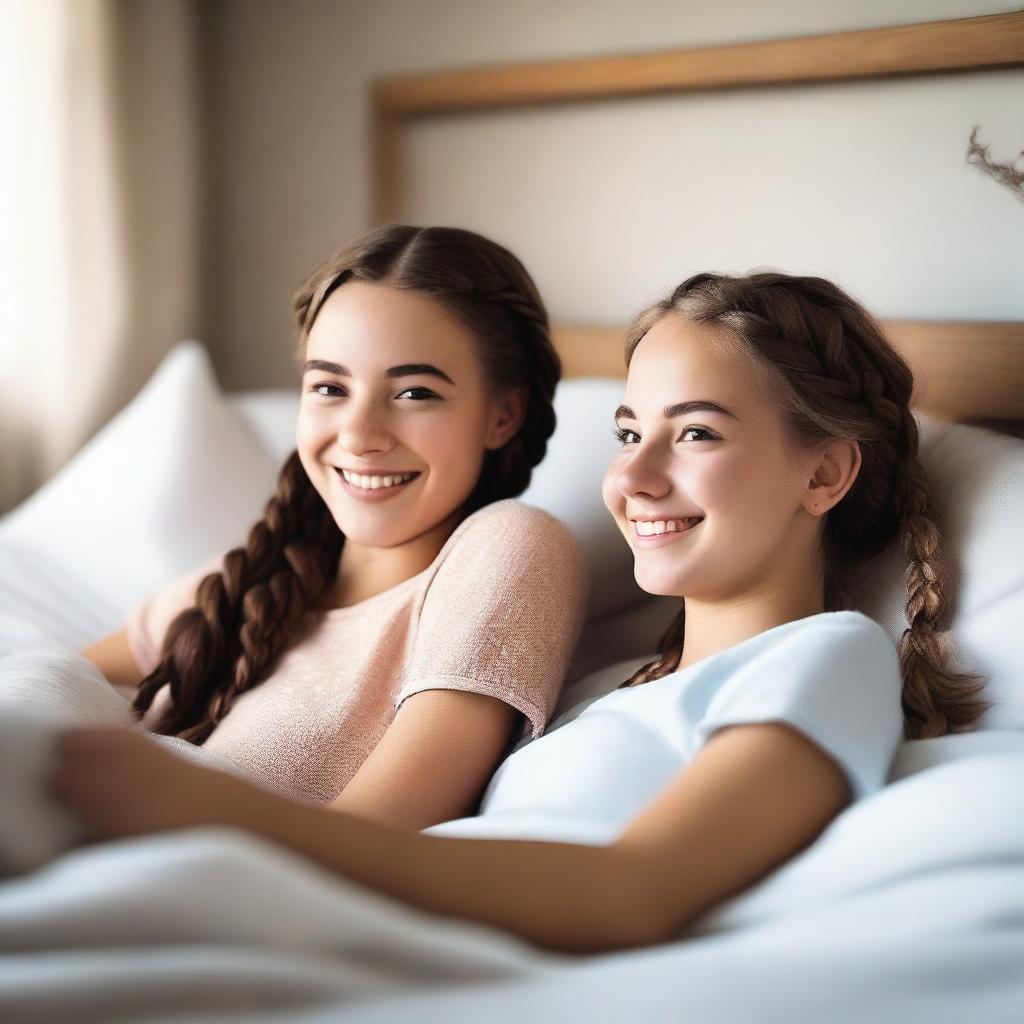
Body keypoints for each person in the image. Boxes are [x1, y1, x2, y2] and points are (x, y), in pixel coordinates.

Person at [46, 270, 988, 955]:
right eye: (628, 433)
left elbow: (635, 894)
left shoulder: (828, 658)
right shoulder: (601, 687)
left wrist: (208, 813)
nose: (633, 476)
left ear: (823, 471)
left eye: (695, 432)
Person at [75, 223, 588, 829]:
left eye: (415, 392)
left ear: (503, 416)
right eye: (329, 386)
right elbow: (51, 687)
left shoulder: (511, 547)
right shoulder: (247, 586)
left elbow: (369, 837)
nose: (358, 434)